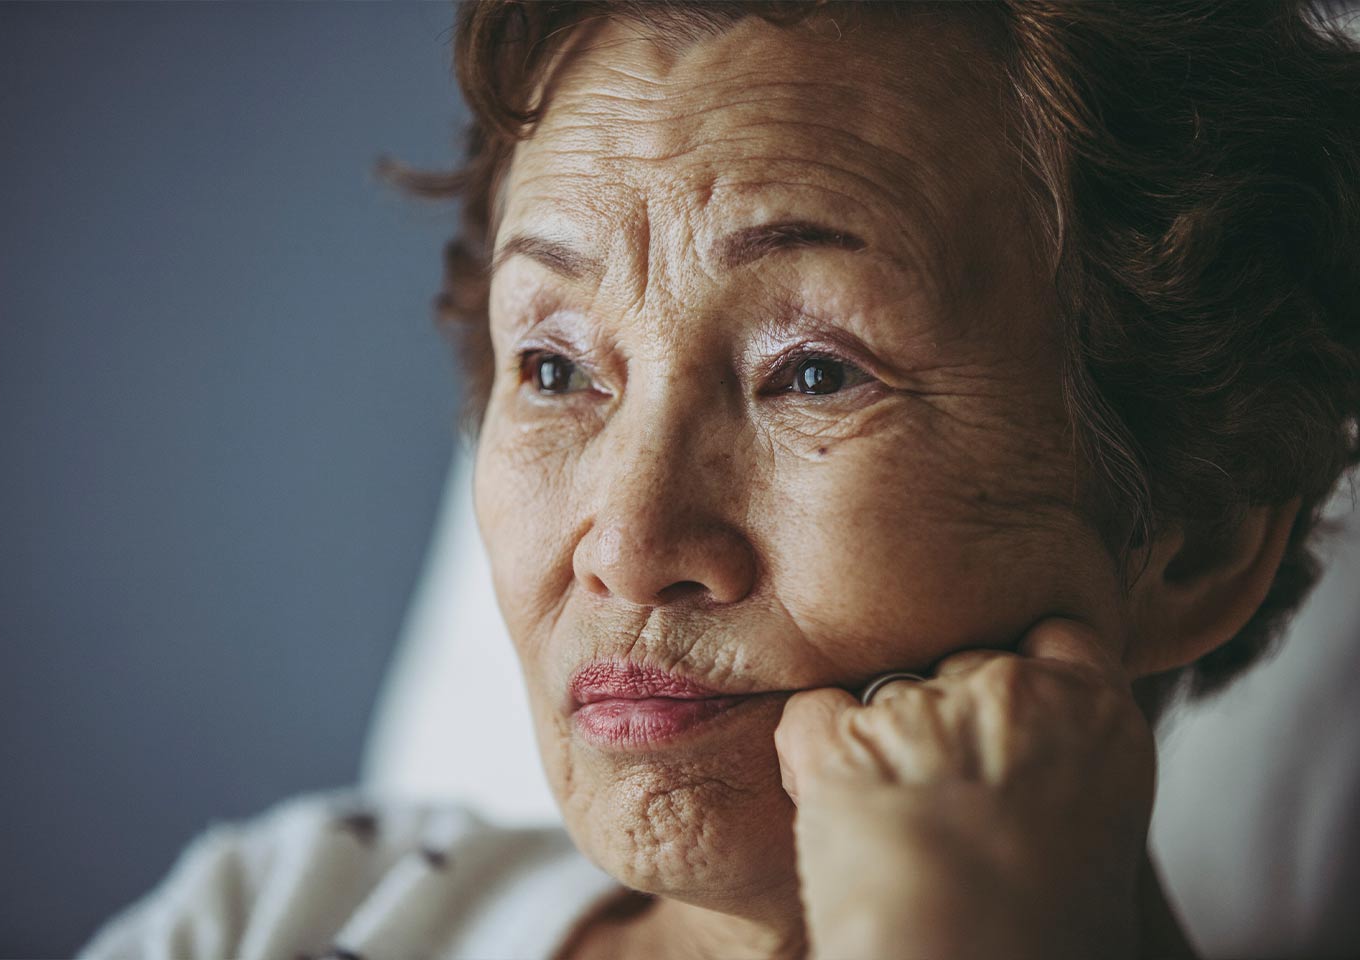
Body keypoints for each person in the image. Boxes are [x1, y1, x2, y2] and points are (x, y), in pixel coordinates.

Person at [82, 2, 1360, 958]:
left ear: (1194, 532)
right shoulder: (280, 914)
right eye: (554, 367)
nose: (630, 544)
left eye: (812, 374)